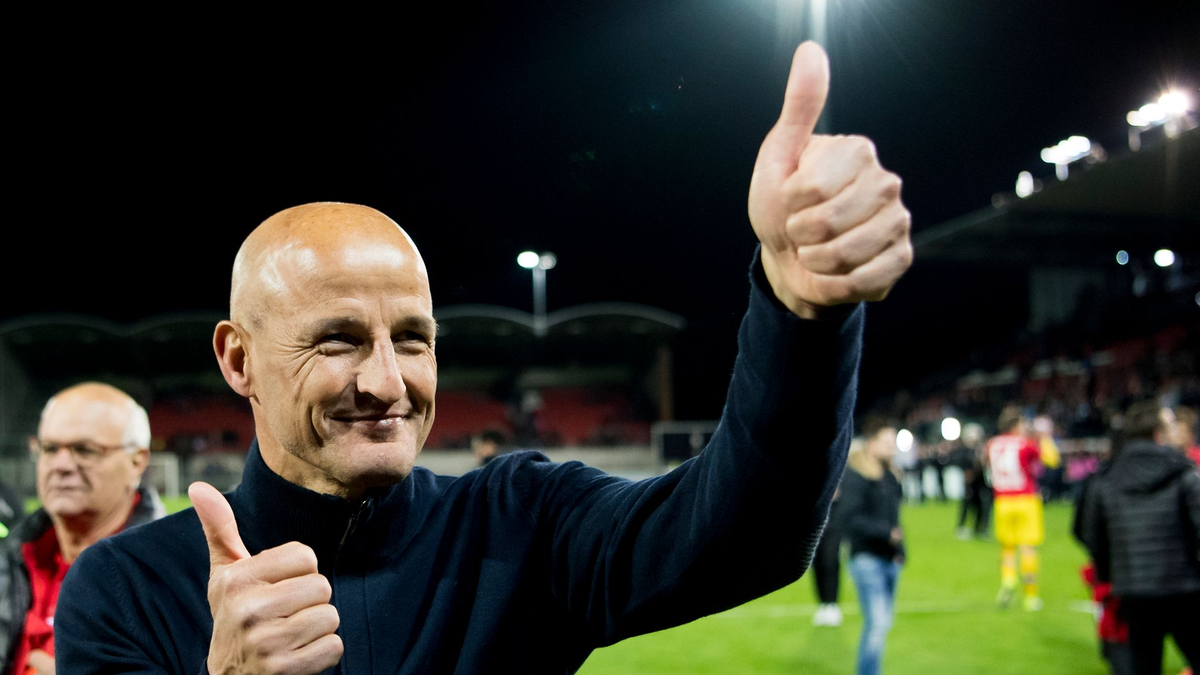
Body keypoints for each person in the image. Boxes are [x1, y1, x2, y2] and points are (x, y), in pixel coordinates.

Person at [56, 41, 914, 674]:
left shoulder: (520, 522)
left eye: (413, 339)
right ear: (238, 360)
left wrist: (801, 310)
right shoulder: (124, 587)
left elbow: (746, 531)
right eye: (339, 339)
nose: (387, 382)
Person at [1, 383, 164, 675]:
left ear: (137, 461)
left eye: (85, 450)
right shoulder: (11, 557)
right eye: (49, 448)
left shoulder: (173, 573)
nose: (61, 465)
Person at [1077, 401, 1200, 675]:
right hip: (1184, 587)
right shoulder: (1182, 470)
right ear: (1158, 432)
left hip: (1133, 591)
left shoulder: (1106, 477)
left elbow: (1091, 536)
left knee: (1143, 664)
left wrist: (1114, 572)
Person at [841, 418, 904, 675]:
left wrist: (900, 552)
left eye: (894, 442)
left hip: (890, 559)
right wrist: (886, 533)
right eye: (887, 442)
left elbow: (895, 520)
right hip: (866, 558)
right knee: (878, 623)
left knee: (882, 623)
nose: (892, 447)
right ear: (871, 444)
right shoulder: (856, 476)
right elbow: (849, 519)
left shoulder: (891, 476)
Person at [985, 405, 1046, 611]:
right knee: (1028, 547)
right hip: (1025, 499)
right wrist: (1042, 438)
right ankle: (1031, 596)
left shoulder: (992, 444)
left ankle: (1008, 579)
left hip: (1002, 501)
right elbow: (1048, 459)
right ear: (1016, 425)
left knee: (1007, 547)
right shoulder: (1024, 444)